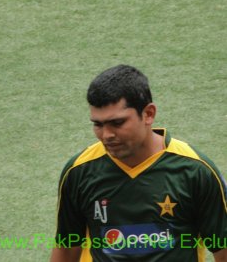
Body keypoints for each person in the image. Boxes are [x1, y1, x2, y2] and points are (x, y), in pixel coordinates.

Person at [50, 64, 227, 262]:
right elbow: (66, 249)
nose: (106, 135)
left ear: (148, 114)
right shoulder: (79, 171)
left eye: (117, 123)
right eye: (98, 124)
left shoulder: (195, 171)